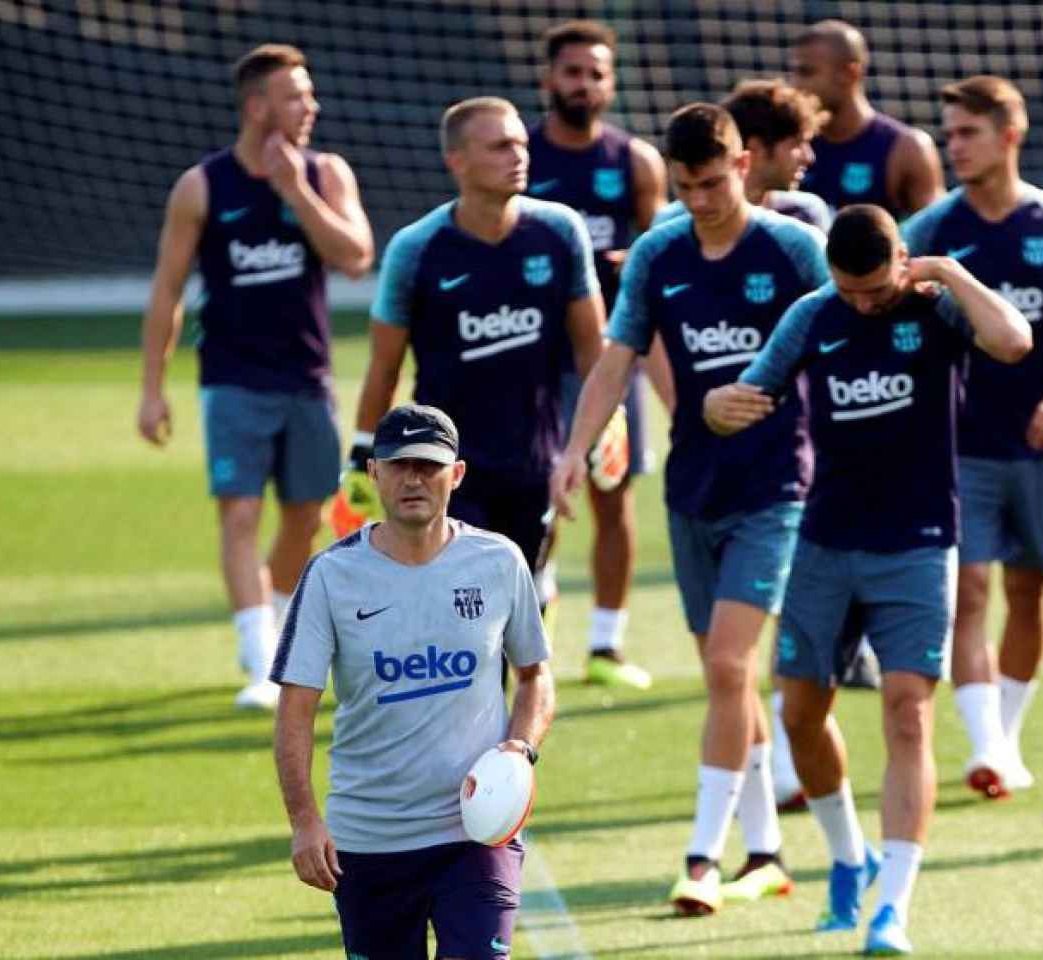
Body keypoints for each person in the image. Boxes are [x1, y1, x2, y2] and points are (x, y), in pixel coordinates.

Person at [706, 205, 1029, 955]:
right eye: (847, 290)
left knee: (909, 712)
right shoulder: (813, 316)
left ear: (903, 262)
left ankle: (893, 906)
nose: (860, 304)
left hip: (919, 543)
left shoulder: (939, 306)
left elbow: (1014, 341)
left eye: (874, 290)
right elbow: (742, 402)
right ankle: (849, 857)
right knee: (799, 713)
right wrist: (720, 408)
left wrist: (946, 271)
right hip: (824, 543)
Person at [551, 103, 828, 915]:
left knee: (727, 668)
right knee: (728, 681)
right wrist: (575, 448)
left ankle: (702, 858)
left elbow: (849, 333)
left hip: (778, 488)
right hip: (694, 489)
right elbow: (616, 357)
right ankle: (768, 853)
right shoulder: (660, 252)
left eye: (712, 183)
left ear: (744, 166)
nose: (699, 200)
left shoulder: (792, 250)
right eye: (684, 186)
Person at [136, 44, 374, 710]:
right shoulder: (202, 187)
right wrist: (152, 388)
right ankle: (260, 657)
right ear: (257, 106)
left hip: (307, 377)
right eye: (296, 95)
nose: (311, 106)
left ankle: (274, 626)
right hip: (232, 380)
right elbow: (167, 292)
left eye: (310, 93)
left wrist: (295, 190)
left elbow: (357, 257)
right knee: (239, 511)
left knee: (304, 517)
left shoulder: (326, 174)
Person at [272, 404, 555, 960]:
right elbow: (295, 708)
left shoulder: (499, 561)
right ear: (373, 474)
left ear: (457, 475)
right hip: (370, 838)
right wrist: (304, 820)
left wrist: (520, 751)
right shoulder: (331, 576)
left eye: (428, 466)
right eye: (398, 465)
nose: (413, 479)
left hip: (477, 832)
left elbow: (534, 675)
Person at [901, 75, 1043, 798]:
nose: (952, 146)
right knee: (973, 588)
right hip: (960, 443)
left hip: (1041, 442)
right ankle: (986, 749)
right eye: (949, 133)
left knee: (1030, 591)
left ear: (1009, 135)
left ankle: (1005, 739)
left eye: (967, 133)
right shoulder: (930, 230)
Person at [351, 97, 606, 613]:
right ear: (458, 161)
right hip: (444, 463)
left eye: (520, 143)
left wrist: (604, 425)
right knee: (461, 611)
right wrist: (362, 457)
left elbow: (593, 350)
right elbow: (384, 367)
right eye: (500, 146)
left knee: (520, 613)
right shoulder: (416, 248)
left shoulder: (559, 232)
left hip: (537, 462)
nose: (519, 155)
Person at [527, 20, 668, 689]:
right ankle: (534, 607)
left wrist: (628, 260)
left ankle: (607, 645)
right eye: (572, 72)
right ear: (549, 78)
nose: (583, 84)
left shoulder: (633, 161)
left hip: (609, 358)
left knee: (614, 491)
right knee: (532, 494)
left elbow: (664, 250)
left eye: (596, 74)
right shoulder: (520, 155)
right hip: (528, 357)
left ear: (610, 85)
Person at [790, 19, 943, 217]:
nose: (794, 84)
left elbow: (935, 238)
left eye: (806, 73)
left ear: (850, 73)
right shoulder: (788, 145)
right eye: (794, 72)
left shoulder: (906, 148)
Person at [653, 78, 833, 232]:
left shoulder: (805, 213)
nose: (808, 157)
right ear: (755, 149)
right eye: (796, 144)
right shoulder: (671, 223)